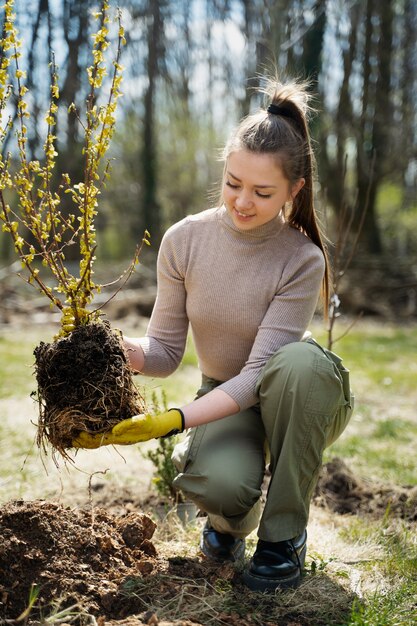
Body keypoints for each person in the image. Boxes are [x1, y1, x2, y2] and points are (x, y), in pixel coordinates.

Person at [74, 77, 354, 592]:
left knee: (298, 363)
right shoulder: (184, 241)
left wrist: (172, 420)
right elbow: (162, 352)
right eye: (232, 183)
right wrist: (106, 350)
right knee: (216, 485)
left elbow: (257, 377)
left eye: (262, 192)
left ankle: (283, 538)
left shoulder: (301, 259)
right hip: (224, 395)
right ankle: (231, 522)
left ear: (294, 189)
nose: (242, 202)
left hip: (301, 395)